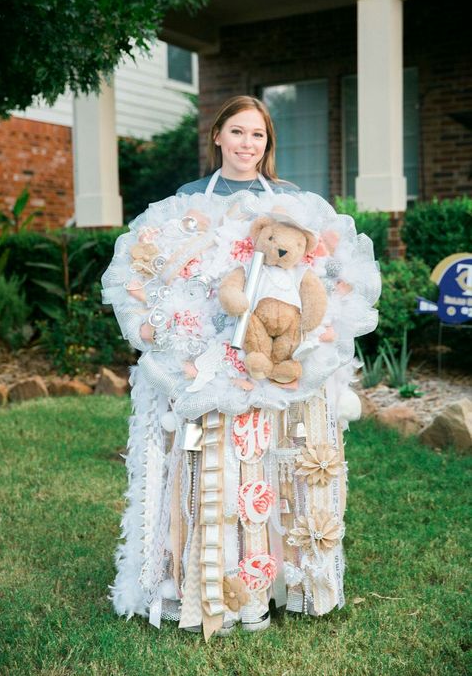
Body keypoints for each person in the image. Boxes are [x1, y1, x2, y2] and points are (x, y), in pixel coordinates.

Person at [102, 95, 380, 640]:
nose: (248, 144)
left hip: (278, 358)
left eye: (258, 135)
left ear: (266, 143)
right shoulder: (185, 202)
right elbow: (170, 275)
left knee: (276, 461)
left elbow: (318, 273)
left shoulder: (291, 203)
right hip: (214, 357)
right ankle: (212, 576)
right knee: (220, 469)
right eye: (238, 132)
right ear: (218, 137)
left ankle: (282, 579)